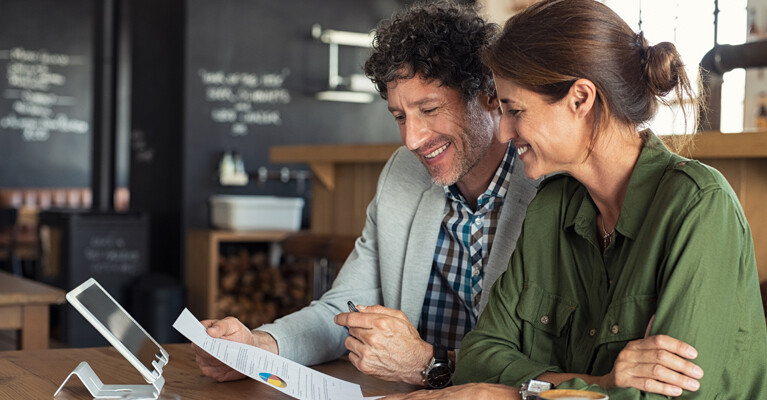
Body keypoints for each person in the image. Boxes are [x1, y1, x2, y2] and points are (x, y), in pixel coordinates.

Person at [192, 1, 540, 388]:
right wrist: (258, 345)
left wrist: (431, 363)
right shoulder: (401, 174)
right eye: (400, 116)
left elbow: (550, 361)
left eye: (429, 109)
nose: (412, 139)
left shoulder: (548, 187)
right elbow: (343, 310)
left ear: (489, 95)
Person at [438, 0, 767, 399]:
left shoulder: (699, 207)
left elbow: (665, 397)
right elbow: (476, 359)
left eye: (515, 110)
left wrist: (511, 392)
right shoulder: (549, 207)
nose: (504, 132)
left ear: (580, 99)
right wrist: (599, 386)